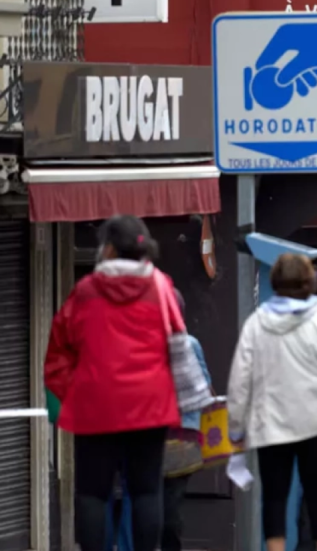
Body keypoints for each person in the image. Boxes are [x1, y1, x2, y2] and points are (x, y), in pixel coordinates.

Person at [44, 215, 180, 551]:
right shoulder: (161, 286)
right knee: (147, 490)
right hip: (150, 405)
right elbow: (178, 340)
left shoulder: (86, 291)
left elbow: (58, 349)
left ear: (106, 248)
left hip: (96, 404)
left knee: (93, 493)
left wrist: (72, 393)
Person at [228, 253, 317, 551]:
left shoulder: (257, 323)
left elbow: (239, 382)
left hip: (270, 423)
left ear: (275, 282)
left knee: (274, 496)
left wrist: (236, 429)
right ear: (308, 281)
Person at [163, 289, 213, 551]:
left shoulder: (187, 344)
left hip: (170, 436)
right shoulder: (189, 343)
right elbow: (204, 385)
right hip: (179, 435)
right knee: (167, 502)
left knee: (163, 502)